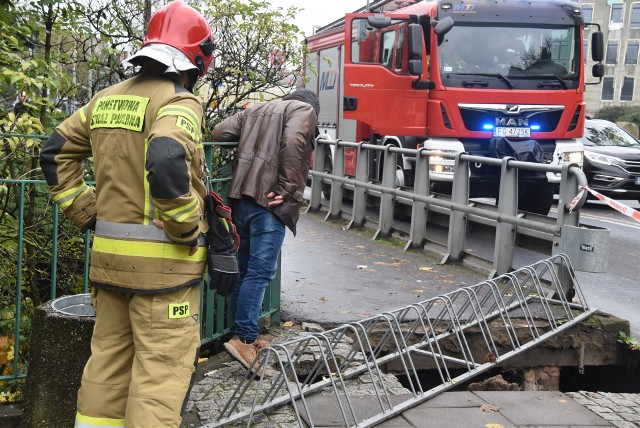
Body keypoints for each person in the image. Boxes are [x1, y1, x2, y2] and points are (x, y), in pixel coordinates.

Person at [39, 2, 217, 427]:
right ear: (198, 57)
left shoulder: (105, 99)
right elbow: (168, 155)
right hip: (165, 277)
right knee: (159, 377)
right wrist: (185, 225)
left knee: (108, 365)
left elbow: (54, 152)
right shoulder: (180, 100)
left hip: (109, 266)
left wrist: (88, 212)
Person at [210, 89, 320, 375]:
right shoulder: (303, 111)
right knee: (260, 273)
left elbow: (218, 132)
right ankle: (244, 339)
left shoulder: (256, 109)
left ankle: (242, 333)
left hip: (240, 199)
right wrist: (286, 189)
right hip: (267, 203)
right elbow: (293, 141)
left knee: (246, 270)